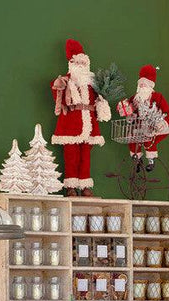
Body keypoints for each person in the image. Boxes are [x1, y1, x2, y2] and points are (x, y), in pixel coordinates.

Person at [51, 38, 111, 196]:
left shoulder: (93, 84)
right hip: (70, 126)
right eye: (77, 63)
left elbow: (99, 100)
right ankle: (71, 186)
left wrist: (102, 103)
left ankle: (85, 186)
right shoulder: (65, 81)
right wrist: (59, 86)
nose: (80, 66)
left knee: (86, 156)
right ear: (71, 64)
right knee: (71, 156)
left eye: (83, 63)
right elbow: (57, 94)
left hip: (89, 126)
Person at [121, 65, 169, 171]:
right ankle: (137, 161)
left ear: (150, 86)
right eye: (140, 84)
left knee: (149, 140)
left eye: (144, 85)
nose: (142, 87)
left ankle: (151, 161)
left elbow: (168, 113)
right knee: (133, 140)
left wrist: (162, 124)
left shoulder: (158, 97)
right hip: (139, 128)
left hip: (155, 126)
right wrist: (127, 112)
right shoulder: (135, 98)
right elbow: (127, 109)